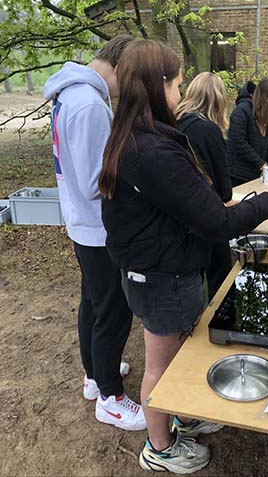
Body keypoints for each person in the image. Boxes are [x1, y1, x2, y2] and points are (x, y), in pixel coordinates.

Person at [99, 39, 268, 474]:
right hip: (160, 279)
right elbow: (216, 222)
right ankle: (160, 447)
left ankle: (183, 417)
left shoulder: (139, 135)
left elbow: (194, 206)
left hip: (166, 271)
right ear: (157, 85)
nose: (180, 92)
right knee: (160, 365)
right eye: (176, 83)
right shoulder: (151, 150)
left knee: (181, 354)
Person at [43, 35, 146, 431]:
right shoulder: (89, 104)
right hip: (98, 227)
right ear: (118, 67)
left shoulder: (71, 94)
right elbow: (93, 180)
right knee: (113, 311)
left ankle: (95, 375)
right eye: (131, 77)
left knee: (94, 302)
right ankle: (111, 398)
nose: (128, 89)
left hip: (81, 222)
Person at [176, 71, 232, 300]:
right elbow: (224, 189)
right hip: (207, 216)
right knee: (219, 278)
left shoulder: (174, 122)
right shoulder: (208, 130)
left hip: (178, 215)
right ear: (219, 99)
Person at [227, 77, 268, 187]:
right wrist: (260, 163)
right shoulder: (242, 110)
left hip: (254, 173)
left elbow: (267, 143)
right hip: (237, 173)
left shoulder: (263, 113)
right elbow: (238, 141)